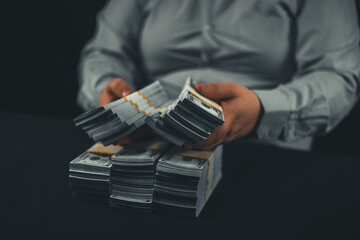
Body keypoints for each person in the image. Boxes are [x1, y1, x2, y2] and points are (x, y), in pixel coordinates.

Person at [77, 0, 360, 151]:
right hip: (147, 141)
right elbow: (105, 52)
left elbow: (338, 76)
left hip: (268, 147)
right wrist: (106, 88)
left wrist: (262, 111)